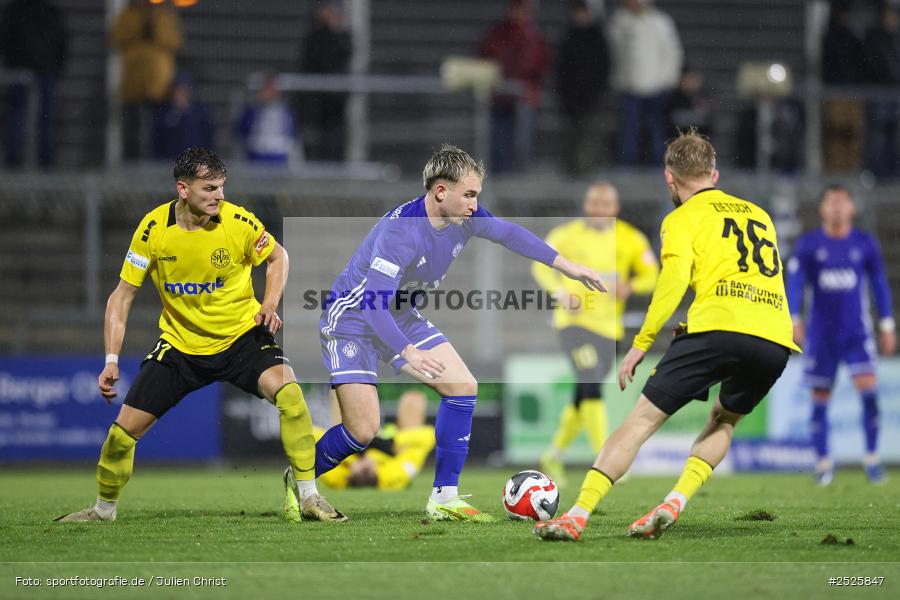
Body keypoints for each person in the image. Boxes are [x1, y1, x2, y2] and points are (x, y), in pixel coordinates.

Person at [314, 144, 605, 521]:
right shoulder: (401, 234)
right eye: (469, 194)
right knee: (363, 430)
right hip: (353, 321)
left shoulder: (464, 218)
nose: (474, 204)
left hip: (400, 315)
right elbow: (372, 305)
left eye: (476, 195)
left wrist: (566, 265)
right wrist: (407, 352)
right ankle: (301, 482)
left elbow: (508, 233)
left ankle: (443, 498)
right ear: (440, 192)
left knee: (463, 387)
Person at [534, 129, 799, 542]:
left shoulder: (681, 218)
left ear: (669, 179)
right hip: (774, 338)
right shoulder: (759, 214)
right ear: (714, 173)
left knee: (639, 421)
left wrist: (641, 344)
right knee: (724, 419)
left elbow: (672, 283)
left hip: (717, 326)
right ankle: (675, 500)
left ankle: (577, 514)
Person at [54, 148, 344, 524]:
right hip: (180, 347)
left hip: (242, 338)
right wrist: (111, 359)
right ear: (183, 189)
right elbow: (121, 296)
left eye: (221, 187)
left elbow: (279, 258)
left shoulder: (238, 221)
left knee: (292, 396)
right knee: (121, 437)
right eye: (209, 188)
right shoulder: (153, 230)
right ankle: (103, 510)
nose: (219, 196)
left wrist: (269, 304)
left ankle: (309, 497)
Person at [532, 182, 658, 486]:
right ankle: (607, 458)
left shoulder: (630, 239)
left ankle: (552, 456)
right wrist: (560, 293)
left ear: (615, 208)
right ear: (586, 206)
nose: (599, 210)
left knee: (583, 394)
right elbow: (541, 266)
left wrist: (631, 287)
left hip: (609, 329)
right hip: (573, 323)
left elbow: (650, 275)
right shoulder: (566, 235)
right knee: (589, 382)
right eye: (593, 204)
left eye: (605, 205)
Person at [786, 185, 895, 485]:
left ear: (851, 208)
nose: (836, 208)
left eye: (841, 203)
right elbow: (794, 284)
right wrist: (794, 318)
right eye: (831, 203)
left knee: (870, 393)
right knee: (819, 399)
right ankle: (823, 464)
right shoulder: (810, 245)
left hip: (857, 334)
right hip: (822, 336)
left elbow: (879, 285)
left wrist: (886, 324)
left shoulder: (864, 243)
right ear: (822, 209)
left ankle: (872, 460)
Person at [479, 0, 550, 173]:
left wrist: (528, 85)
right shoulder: (499, 33)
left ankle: (518, 176)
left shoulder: (533, 36)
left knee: (521, 142)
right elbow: (487, 57)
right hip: (501, 97)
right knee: (499, 140)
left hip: (523, 98)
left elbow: (539, 65)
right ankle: (500, 175)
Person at [608, 0, 682, 166]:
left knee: (656, 129)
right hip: (629, 86)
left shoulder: (660, 22)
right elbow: (615, 52)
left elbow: (672, 52)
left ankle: (660, 165)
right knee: (629, 130)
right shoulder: (620, 22)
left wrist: (668, 80)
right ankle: (626, 165)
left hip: (656, 86)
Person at [317, 390, 436, 491]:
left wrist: (343, 442)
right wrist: (391, 442)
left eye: (361, 468)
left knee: (339, 391)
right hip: (394, 438)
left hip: (354, 437)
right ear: (375, 470)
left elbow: (312, 436)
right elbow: (428, 436)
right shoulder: (394, 475)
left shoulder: (335, 476)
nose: (364, 462)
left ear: (350, 474)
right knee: (414, 399)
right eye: (368, 469)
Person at [110, 0, 183, 160]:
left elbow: (175, 41)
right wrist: (139, 29)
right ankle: (132, 163)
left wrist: (155, 30)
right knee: (132, 130)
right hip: (133, 85)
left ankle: (158, 162)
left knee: (160, 128)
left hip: (160, 85)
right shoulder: (128, 16)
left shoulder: (163, 15)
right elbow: (116, 38)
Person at [0, 0, 67, 168]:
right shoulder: (47, 12)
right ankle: (41, 162)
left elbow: (61, 41)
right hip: (35, 70)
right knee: (32, 116)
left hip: (35, 69)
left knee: (26, 116)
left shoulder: (17, 11)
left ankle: (21, 161)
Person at [556, 0, 611, 175]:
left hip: (591, 98)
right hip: (571, 99)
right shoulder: (569, 37)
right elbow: (561, 69)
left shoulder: (598, 38)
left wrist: (596, 91)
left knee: (589, 137)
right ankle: (570, 172)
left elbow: (604, 68)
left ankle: (586, 171)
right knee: (571, 137)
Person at [301, 2, 352, 161]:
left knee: (335, 139)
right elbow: (317, 58)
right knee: (315, 139)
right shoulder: (314, 36)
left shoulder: (342, 35)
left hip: (335, 101)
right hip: (315, 100)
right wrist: (325, 29)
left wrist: (336, 29)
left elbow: (345, 52)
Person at [862, 3, 900, 178]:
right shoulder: (876, 37)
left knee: (893, 136)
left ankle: (892, 174)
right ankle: (877, 174)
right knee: (878, 136)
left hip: (893, 94)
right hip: (879, 93)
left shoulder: (894, 37)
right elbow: (881, 66)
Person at [235, 73, 297, 166]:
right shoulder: (252, 111)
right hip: (256, 154)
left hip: (278, 156)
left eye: (271, 89)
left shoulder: (285, 112)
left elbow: (292, 135)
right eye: (266, 89)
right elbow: (241, 131)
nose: (268, 92)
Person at [152, 73, 215, 161]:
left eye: (184, 91)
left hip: (195, 161)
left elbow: (208, 137)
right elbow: (158, 139)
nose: (181, 94)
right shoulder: (165, 112)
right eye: (178, 90)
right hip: (169, 161)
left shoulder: (200, 112)